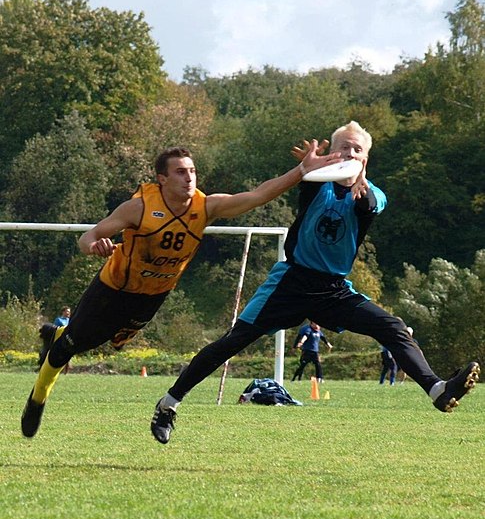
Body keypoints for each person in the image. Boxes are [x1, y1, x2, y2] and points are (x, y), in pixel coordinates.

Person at [150, 121, 480, 445]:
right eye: (343, 147)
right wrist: (308, 166)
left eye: (357, 149)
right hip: (291, 282)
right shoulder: (316, 184)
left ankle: (438, 390)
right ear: (331, 154)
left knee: (392, 327)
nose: (349, 152)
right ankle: (168, 404)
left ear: (365, 159)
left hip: (333, 289)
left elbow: (366, 205)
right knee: (232, 342)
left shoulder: (372, 194)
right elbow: (308, 179)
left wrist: (359, 179)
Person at [21, 144, 344, 438]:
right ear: (162, 179)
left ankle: (58, 339)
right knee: (72, 347)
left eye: (192, 171)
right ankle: (38, 396)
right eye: (180, 172)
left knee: (108, 343)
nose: (189, 178)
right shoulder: (139, 208)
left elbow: (257, 195)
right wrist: (96, 246)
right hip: (114, 287)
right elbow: (87, 237)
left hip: (154, 295)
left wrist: (302, 171)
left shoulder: (205, 207)